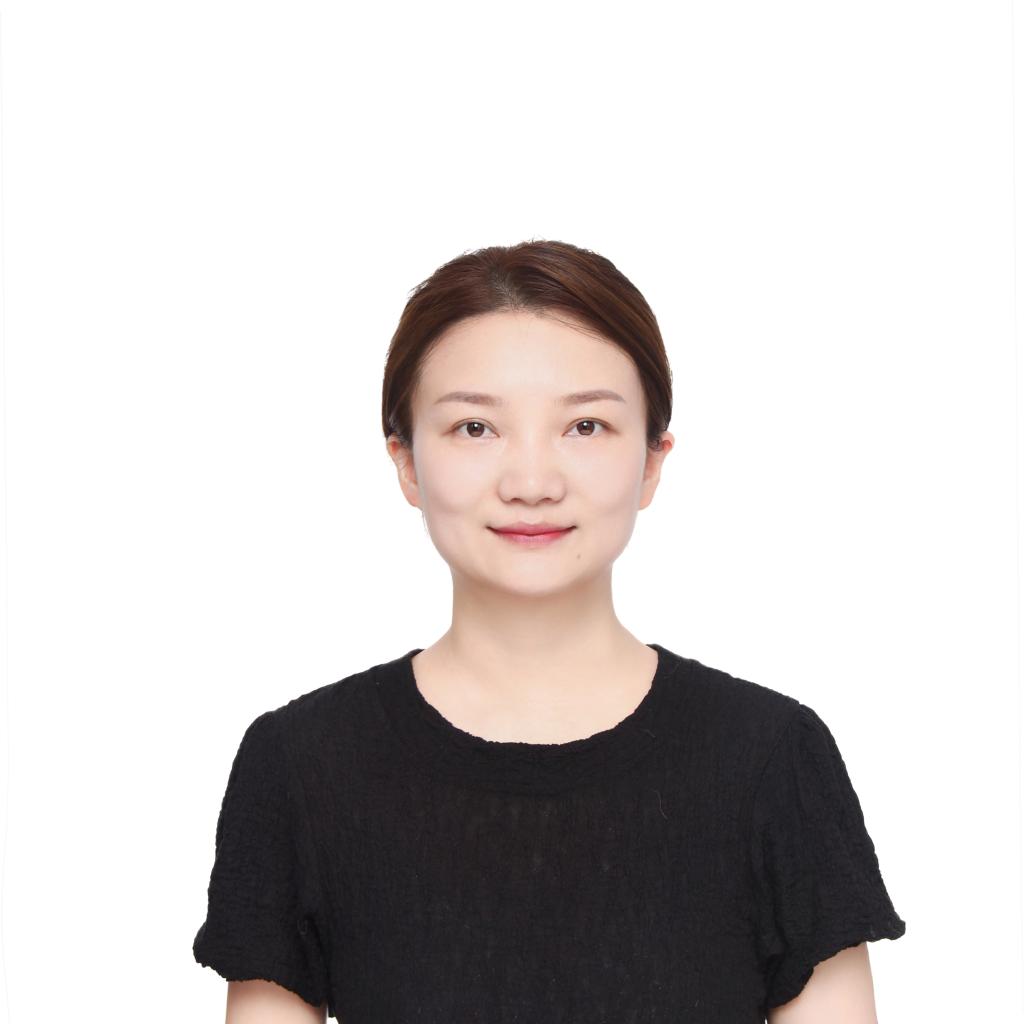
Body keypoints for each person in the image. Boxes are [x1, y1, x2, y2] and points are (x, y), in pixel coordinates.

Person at [192, 239, 906, 1023]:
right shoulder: (301, 767)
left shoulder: (773, 758)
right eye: (474, 428)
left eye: (586, 426)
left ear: (652, 461)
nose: (531, 482)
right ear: (405, 461)